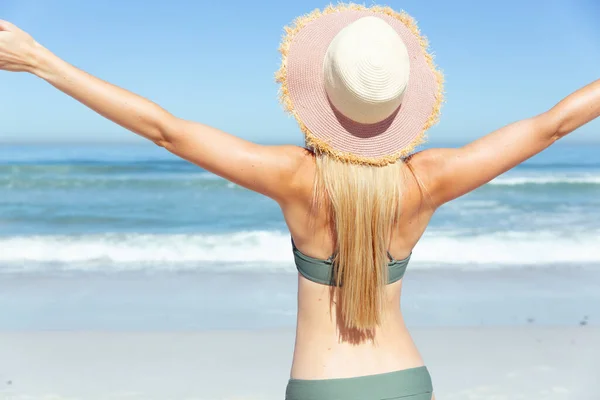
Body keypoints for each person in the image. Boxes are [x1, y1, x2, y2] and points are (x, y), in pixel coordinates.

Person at [0, 3, 598, 400]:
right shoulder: (428, 180)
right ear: (401, 105)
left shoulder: (295, 179)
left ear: (318, 93)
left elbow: (165, 130)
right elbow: (551, 127)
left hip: (322, 385)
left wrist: (41, 62)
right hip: (409, 382)